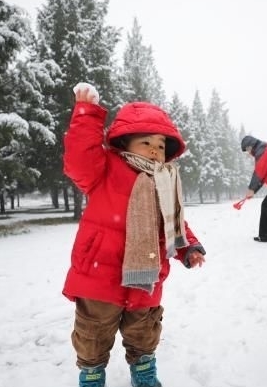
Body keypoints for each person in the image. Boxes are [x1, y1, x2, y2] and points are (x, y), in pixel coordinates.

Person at [63, 82, 207, 387]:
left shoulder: (165, 181)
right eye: (146, 142)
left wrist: (189, 247)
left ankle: (143, 370)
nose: (155, 149)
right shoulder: (103, 170)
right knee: (93, 331)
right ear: (124, 143)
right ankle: (91, 374)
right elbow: (78, 159)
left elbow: (175, 222)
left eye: (160, 145)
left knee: (144, 329)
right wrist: (86, 115)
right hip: (101, 272)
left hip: (148, 272)